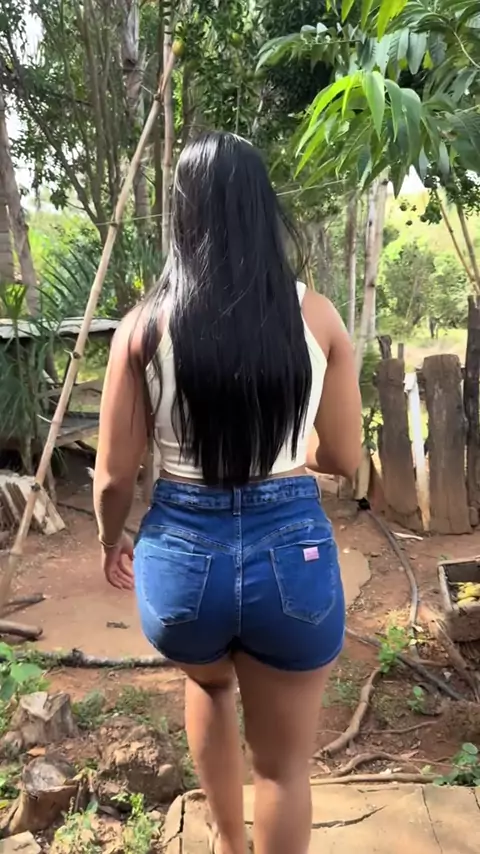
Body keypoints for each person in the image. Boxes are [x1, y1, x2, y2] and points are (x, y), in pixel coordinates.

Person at [94, 131, 362, 854]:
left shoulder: (142, 328)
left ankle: (226, 843)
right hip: (292, 557)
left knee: (209, 684)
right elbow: (344, 457)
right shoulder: (318, 317)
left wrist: (111, 540)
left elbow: (114, 477)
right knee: (283, 770)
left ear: (183, 214)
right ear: (263, 209)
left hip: (181, 562)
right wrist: (299, 450)